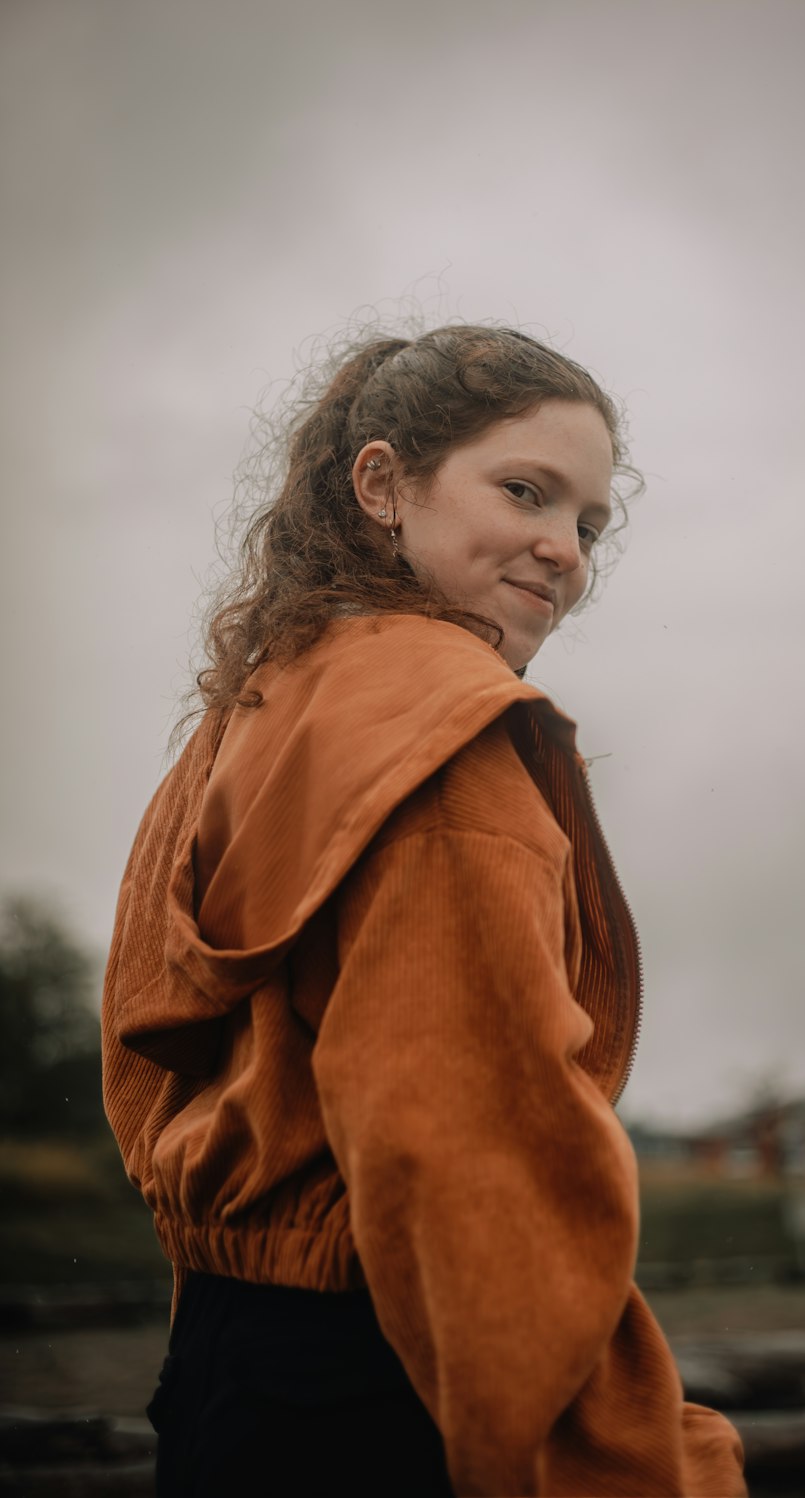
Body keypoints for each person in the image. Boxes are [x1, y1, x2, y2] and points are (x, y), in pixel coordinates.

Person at [102, 324, 746, 1497]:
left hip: (225, 1369)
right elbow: (474, 1166)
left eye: (589, 524)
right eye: (524, 491)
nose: (563, 550)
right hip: (391, 1387)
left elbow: (146, 1068)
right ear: (383, 483)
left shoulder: (259, 712)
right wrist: (638, 1466)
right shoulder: (443, 745)